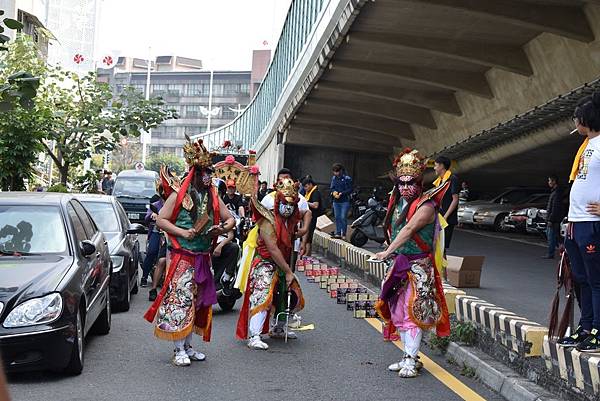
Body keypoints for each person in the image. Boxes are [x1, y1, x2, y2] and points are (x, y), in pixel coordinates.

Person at [144, 139, 235, 367]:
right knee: (181, 300)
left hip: (203, 257)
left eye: (209, 172)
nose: (207, 177)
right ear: (195, 173)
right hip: (183, 257)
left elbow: (231, 219)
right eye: (204, 172)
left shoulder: (213, 197)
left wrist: (221, 228)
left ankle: (188, 346)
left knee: (197, 303)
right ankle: (177, 349)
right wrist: (183, 233)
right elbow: (162, 220)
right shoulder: (177, 195)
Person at [374, 148, 450, 378]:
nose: (405, 187)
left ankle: (410, 359)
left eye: (410, 183)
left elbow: (408, 230)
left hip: (418, 267)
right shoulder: (397, 203)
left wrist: (387, 251)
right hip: (399, 264)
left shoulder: (426, 206)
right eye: (401, 183)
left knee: (414, 312)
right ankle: (409, 357)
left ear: (419, 183)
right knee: (397, 312)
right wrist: (391, 254)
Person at [236, 176, 306, 350]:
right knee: (262, 296)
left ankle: (279, 327)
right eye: (285, 203)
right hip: (265, 263)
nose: (288, 208)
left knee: (286, 293)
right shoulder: (268, 221)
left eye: (291, 205)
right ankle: (254, 335)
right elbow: (273, 249)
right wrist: (288, 271)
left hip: (281, 263)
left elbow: (307, 214)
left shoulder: (290, 221)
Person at [558, 92, 600, 352]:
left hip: (591, 223)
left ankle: (598, 330)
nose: (575, 122)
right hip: (576, 222)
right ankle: (585, 328)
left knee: (596, 280)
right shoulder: (587, 145)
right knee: (581, 279)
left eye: (576, 117)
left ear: (586, 118)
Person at [433, 156, 460, 249]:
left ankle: (443, 263)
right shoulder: (440, 181)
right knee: (435, 246)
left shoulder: (452, 179)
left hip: (447, 219)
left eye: (436, 165)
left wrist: (445, 217)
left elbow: (455, 199)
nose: (434, 168)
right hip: (439, 216)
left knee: (442, 247)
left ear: (442, 166)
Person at [141, 183, 165, 288]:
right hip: (156, 232)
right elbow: (146, 219)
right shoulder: (155, 205)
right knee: (152, 252)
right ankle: (144, 277)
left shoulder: (174, 203)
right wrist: (152, 215)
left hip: (170, 234)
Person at [301, 175, 323, 256]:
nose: (305, 189)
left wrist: (305, 202)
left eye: (306, 186)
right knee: (306, 235)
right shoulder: (308, 192)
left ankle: (307, 254)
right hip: (308, 217)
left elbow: (315, 205)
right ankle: (306, 254)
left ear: (310, 184)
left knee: (308, 235)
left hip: (312, 217)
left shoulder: (315, 193)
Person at [544, 175, 564, 259]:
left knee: (551, 236)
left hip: (554, 219)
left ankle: (551, 253)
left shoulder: (556, 193)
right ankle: (558, 251)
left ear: (554, 181)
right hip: (554, 218)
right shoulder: (554, 192)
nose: (548, 183)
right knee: (554, 236)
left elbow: (554, 207)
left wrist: (550, 219)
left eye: (549, 181)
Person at [330, 163, 353, 239]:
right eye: (334, 171)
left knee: (343, 217)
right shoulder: (334, 178)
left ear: (340, 171)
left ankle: (344, 233)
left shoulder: (347, 178)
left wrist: (342, 193)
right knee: (337, 217)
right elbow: (332, 187)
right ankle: (338, 233)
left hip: (344, 201)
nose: (336, 173)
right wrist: (334, 192)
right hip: (336, 201)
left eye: (337, 171)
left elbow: (350, 189)